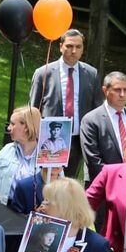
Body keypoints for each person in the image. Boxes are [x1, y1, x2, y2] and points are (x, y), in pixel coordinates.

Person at [28, 29, 100, 178]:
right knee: (47, 180)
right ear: (61, 46)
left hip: (77, 139)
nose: (73, 51)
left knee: (68, 183)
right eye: (69, 46)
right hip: (50, 139)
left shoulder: (91, 74)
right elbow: (33, 109)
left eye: (78, 47)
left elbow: (97, 110)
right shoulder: (44, 73)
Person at [79, 71, 126, 185]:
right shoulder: (91, 120)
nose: (122, 94)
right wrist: (120, 180)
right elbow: (93, 161)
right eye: (117, 90)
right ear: (105, 90)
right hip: (103, 185)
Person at [0, 105, 40, 204]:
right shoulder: (8, 150)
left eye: (12, 124)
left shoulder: (48, 157)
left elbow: (57, 190)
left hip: (32, 216)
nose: (8, 128)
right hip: (5, 210)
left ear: (26, 127)